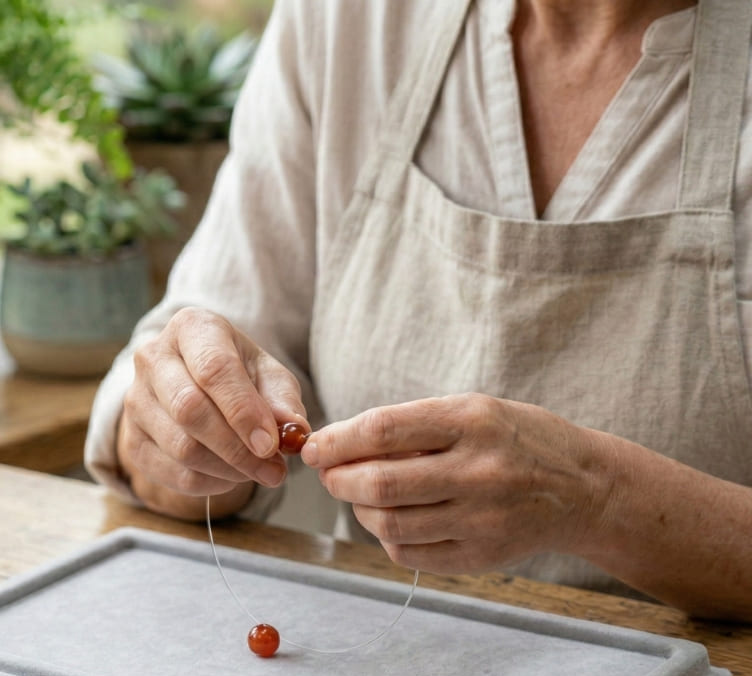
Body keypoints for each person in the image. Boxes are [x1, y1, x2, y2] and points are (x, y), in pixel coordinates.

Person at [86, 0, 752, 622]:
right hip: (385, 668)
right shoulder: (349, 18)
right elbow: (212, 329)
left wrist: (593, 497)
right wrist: (186, 435)